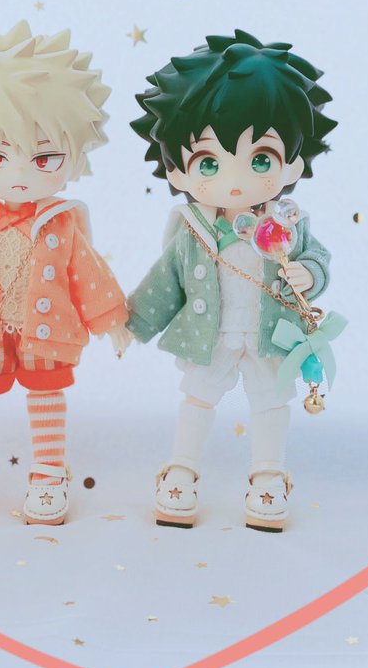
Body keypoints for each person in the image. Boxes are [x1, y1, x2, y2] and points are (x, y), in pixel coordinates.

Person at [0, 20, 132, 525]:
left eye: (44, 158)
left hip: (45, 327)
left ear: (74, 156)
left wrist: (111, 320)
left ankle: (49, 470)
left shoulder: (61, 220)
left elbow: (88, 272)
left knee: (46, 391)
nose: (18, 174)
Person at [126, 29, 338, 532]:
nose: (235, 180)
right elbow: (165, 281)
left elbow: (318, 257)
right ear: (177, 171)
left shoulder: (288, 223)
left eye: (260, 159)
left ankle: (269, 473)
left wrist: (308, 273)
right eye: (208, 162)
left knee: (271, 401)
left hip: (270, 333)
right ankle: (182, 468)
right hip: (213, 334)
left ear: (293, 162)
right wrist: (131, 322)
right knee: (198, 397)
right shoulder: (193, 229)